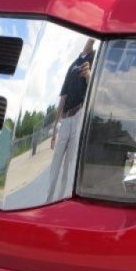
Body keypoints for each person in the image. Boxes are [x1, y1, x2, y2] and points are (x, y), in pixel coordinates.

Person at [47, 39, 95, 201]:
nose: (91, 41)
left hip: (80, 115)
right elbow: (63, 96)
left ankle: (60, 200)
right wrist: (55, 129)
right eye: (89, 38)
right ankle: (49, 198)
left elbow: (95, 92)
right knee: (56, 163)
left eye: (93, 40)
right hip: (66, 119)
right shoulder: (73, 64)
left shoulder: (95, 57)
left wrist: (89, 76)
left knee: (68, 164)